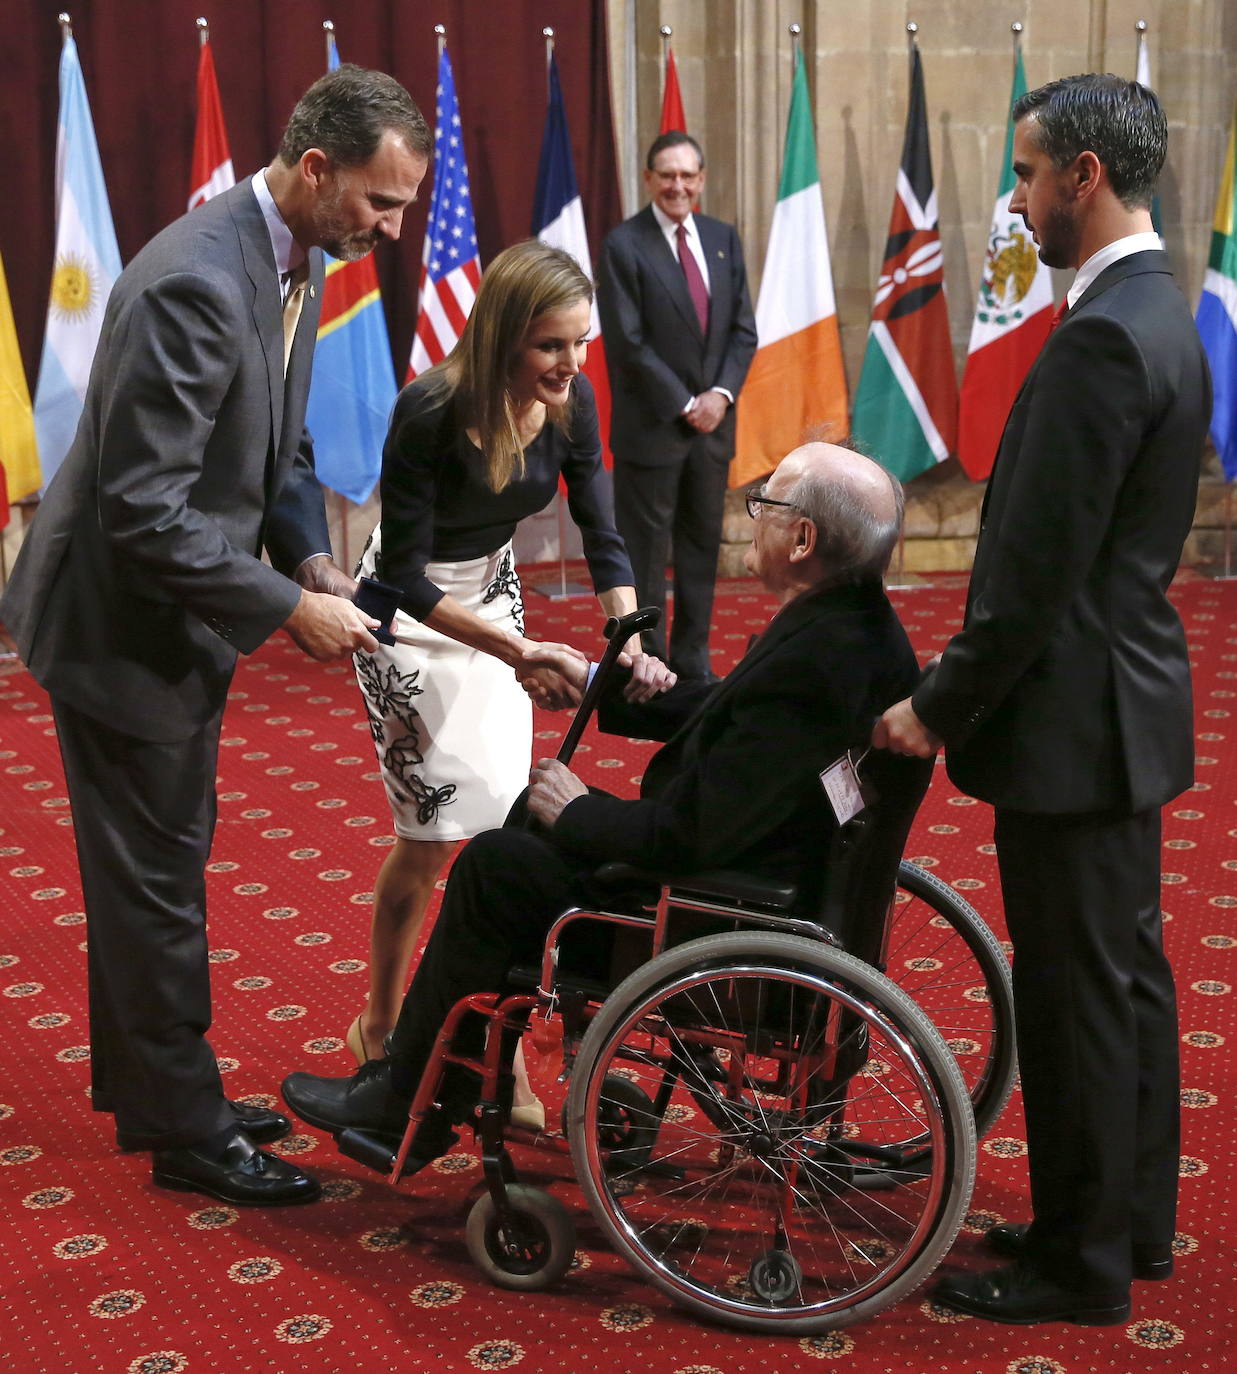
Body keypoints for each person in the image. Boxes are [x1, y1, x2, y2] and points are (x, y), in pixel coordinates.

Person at [0, 65, 432, 1206]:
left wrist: (309, 558)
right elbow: (142, 510)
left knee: (162, 863)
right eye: (379, 206)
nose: (388, 234)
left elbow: (271, 457)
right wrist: (289, 611)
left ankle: (160, 1091)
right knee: (153, 878)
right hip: (120, 632)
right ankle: (187, 1132)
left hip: (173, 620)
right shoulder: (201, 278)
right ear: (316, 170)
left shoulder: (285, 260)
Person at [281, 441, 921, 1163]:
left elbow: (690, 834)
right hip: (770, 880)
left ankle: (407, 1103)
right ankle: (427, 1083)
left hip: (716, 914)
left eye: (765, 505)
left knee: (496, 864)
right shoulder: (854, 626)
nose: (750, 519)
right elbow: (728, 713)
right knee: (524, 820)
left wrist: (578, 811)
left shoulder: (816, 658)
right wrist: (594, 678)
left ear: (802, 539)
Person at [873, 75, 1212, 1326]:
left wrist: (938, 706)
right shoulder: (1157, 313)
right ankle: (1128, 1225)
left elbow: (1030, 581)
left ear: (1083, 174)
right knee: (1124, 978)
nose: (1014, 203)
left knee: (1076, 995)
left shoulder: (1105, 335)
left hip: (1074, 720)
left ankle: (1079, 1263)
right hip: (1120, 708)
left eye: (1024, 174)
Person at [341, 240, 673, 1130]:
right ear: (502, 340)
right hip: (411, 619)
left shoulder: (573, 402)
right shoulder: (431, 410)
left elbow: (601, 528)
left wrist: (629, 634)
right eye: (549, 347)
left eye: (579, 343)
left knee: (495, 832)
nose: (570, 365)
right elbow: (399, 580)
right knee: (429, 834)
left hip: (491, 596)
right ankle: (378, 1020)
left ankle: (499, 1060)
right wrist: (510, 652)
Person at [597, 130, 757, 682]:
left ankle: (693, 659)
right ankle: (648, 660)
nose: (678, 186)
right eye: (667, 175)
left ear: (702, 180)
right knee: (643, 557)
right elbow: (627, 342)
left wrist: (719, 397)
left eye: (688, 176)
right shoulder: (624, 244)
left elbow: (742, 332)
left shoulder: (723, 239)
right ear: (648, 180)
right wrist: (687, 401)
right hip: (653, 430)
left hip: (711, 433)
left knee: (699, 550)